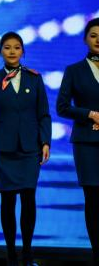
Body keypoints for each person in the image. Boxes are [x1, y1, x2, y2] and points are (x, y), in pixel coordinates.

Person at [0, 31, 51, 266]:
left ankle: (28, 253)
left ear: (23, 51)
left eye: (17, 47)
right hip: (3, 149)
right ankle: (11, 253)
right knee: (8, 200)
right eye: (7, 47)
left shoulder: (34, 78)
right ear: (0, 51)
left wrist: (46, 141)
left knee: (29, 198)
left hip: (30, 148)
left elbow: (43, 114)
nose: (12, 51)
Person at [57, 17, 99, 265]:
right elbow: (62, 107)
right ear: (85, 39)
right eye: (93, 35)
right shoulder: (74, 70)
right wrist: (89, 114)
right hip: (86, 144)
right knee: (93, 199)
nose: (98, 39)